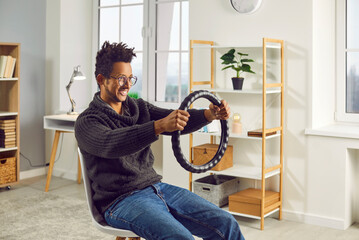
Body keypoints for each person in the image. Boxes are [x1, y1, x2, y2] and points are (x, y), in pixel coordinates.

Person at [75, 41, 245, 240]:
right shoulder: (87, 121)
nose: (128, 85)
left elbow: (177, 119)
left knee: (226, 223)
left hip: (157, 188)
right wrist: (158, 126)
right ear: (101, 79)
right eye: (121, 78)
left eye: (131, 78)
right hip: (119, 201)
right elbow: (111, 143)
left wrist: (209, 114)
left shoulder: (138, 107)